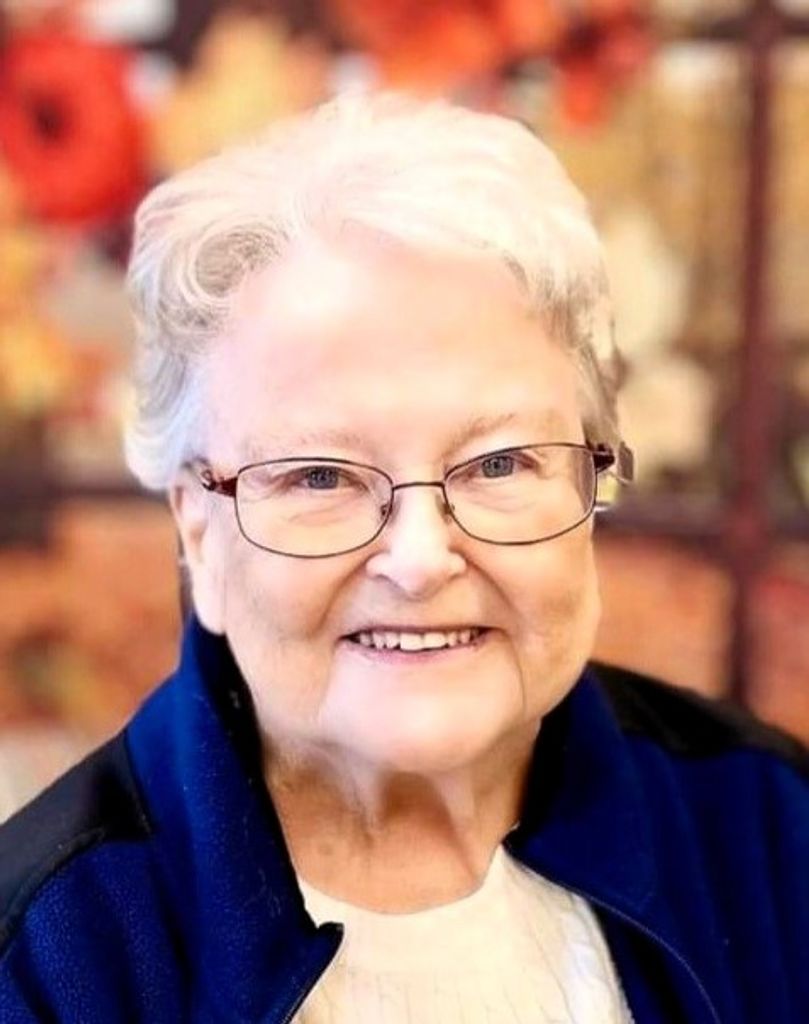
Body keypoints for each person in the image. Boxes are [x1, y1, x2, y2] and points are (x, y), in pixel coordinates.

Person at [0, 91, 806, 1024]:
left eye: (499, 463)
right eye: (319, 476)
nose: (420, 560)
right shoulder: (47, 961)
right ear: (198, 532)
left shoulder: (767, 822)